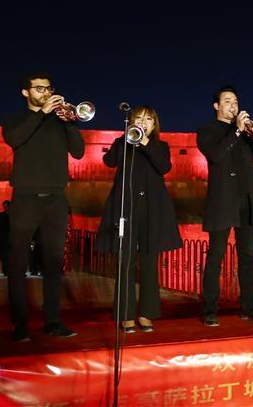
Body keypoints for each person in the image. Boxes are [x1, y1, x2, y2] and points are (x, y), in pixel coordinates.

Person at [1, 71, 85, 341]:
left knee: (52, 264)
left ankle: (53, 320)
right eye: (39, 89)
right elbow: (15, 139)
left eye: (48, 88)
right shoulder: (16, 120)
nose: (46, 93)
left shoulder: (59, 122)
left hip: (56, 200)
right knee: (17, 264)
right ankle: (20, 324)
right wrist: (41, 114)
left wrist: (70, 122)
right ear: (25, 92)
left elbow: (80, 152)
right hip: (25, 198)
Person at [96, 106, 182, 333]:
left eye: (148, 119)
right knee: (124, 264)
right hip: (126, 208)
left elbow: (164, 167)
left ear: (154, 125)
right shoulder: (122, 143)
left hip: (153, 210)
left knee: (148, 264)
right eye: (139, 118)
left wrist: (144, 143)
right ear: (131, 121)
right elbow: (109, 161)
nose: (143, 122)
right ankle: (125, 315)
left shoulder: (160, 147)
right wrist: (126, 137)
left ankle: (146, 314)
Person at [197, 86, 253, 326]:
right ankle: (210, 310)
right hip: (222, 202)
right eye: (227, 101)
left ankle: (248, 307)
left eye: (235, 101)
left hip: (247, 201)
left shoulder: (246, 133)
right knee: (215, 257)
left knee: (247, 257)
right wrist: (236, 132)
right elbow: (216, 155)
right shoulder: (206, 131)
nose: (233, 105)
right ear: (216, 106)